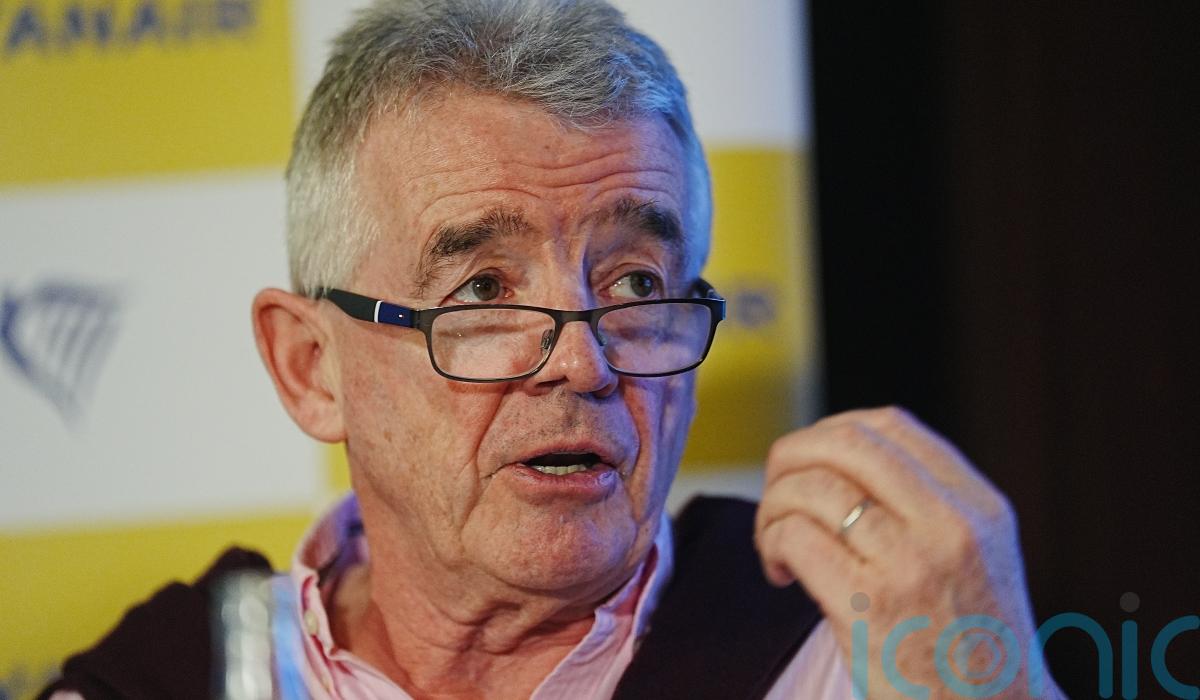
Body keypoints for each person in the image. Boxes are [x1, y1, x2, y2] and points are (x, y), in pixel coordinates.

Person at [44, 1, 1064, 698]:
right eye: (484, 291)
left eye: (636, 285)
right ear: (312, 368)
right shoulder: (187, 676)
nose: (583, 365)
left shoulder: (851, 652)